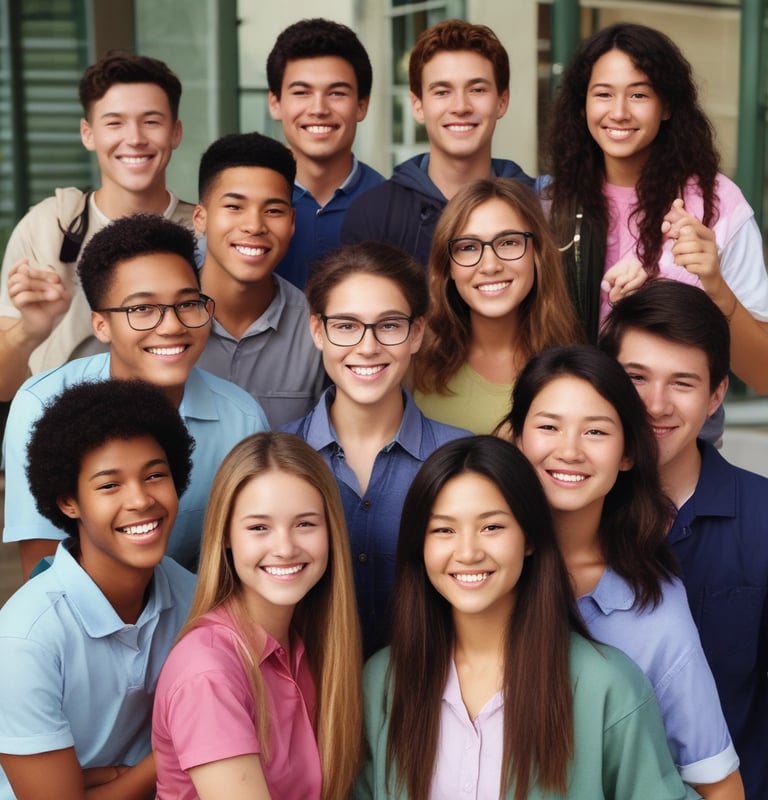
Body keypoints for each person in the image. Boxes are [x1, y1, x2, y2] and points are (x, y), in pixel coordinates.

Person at [357, 435, 699, 800]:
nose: (468, 552)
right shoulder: (382, 681)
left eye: (492, 527)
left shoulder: (607, 685)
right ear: (419, 546)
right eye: (444, 530)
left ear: (530, 538)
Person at [506, 345, 743, 798]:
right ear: (517, 439)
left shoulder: (651, 606)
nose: (569, 451)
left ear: (628, 453)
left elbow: (720, 786)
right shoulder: (472, 564)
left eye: (595, 431)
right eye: (548, 427)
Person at [2, 214, 268, 579]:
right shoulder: (41, 405)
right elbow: (44, 573)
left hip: (200, 623)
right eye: (141, 309)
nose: (172, 326)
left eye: (188, 303)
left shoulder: (243, 419)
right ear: (101, 325)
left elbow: (248, 561)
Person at [599, 280, 768, 800]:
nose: (655, 405)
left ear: (717, 394)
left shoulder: (762, 516)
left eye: (682, 383)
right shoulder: (568, 514)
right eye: (635, 378)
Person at [546, 23, 768, 396]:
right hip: (577, 434)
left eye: (638, 95)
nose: (618, 112)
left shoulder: (717, 204)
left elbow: (763, 375)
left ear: (666, 106)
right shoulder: (552, 204)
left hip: (678, 439)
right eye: (603, 94)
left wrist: (713, 284)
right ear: (582, 104)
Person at [0, 378, 196, 800]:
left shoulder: (195, 598)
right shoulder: (23, 639)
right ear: (69, 502)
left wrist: (113, 778)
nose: (141, 500)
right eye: (110, 485)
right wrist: (163, 761)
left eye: (155, 475)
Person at [282, 241, 468, 656]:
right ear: (318, 330)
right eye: (346, 325)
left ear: (416, 332)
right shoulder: (275, 458)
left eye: (389, 325)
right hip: (306, 701)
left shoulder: (464, 460)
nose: (367, 347)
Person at [153, 431, 362, 800]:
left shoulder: (304, 645)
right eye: (259, 527)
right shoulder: (209, 673)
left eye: (305, 524)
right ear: (227, 536)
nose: (284, 547)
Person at [0, 52, 193, 400]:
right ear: (88, 134)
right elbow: (2, 388)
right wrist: (29, 331)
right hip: (59, 435)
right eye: (114, 123)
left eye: (151, 121)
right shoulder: (47, 227)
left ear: (176, 132)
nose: (134, 138)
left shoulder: (203, 233)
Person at [341, 19, 539, 267]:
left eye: (477, 89)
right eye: (442, 92)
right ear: (418, 105)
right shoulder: (374, 215)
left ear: (502, 101)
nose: (460, 107)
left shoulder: (539, 206)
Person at [412, 178, 583, 434]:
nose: (490, 265)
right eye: (468, 247)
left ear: (537, 253)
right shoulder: (413, 360)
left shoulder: (575, 365)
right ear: (448, 266)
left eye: (508, 242)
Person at [193, 132, 325, 427]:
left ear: (291, 223)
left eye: (273, 210)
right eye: (234, 207)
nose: (254, 225)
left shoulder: (315, 327)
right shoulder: (164, 318)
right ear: (200, 218)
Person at [266, 17, 384, 290]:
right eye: (302, 92)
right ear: (275, 103)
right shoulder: (248, 210)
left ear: (362, 106)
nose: (318, 108)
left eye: (337, 93)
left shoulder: (391, 207)